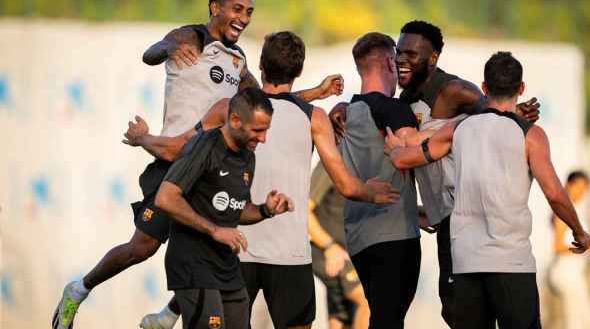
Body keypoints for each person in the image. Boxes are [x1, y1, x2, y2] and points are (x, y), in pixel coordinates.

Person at [52, 0, 341, 329]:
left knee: (215, 247)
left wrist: (316, 93)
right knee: (142, 248)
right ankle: (79, 290)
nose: (244, 18)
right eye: (237, 9)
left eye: (249, 12)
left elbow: (267, 102)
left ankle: (168, 314)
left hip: (211, 166)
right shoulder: (191, 37)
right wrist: (167, 49)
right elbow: (153, 51)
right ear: (214, 8)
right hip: (175, 162)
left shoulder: (238, 60)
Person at [126, 31, 399, 329]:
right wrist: (370, 192)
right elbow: (346, 185)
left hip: (236, 250)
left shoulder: (230, 110)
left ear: (260, 66)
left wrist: (144, 138)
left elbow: (177, 148)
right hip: (290, 255)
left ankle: (170, 312)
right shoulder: (314, 118)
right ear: (299, 70)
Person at [330, 20, 540, 327]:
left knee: (473, 311)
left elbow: (494, 115)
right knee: (455, 311)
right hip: (443, 220)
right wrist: (343, 106)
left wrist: (514, 114)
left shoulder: (453, 90)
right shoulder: (400, 103)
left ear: (433, 58)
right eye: (399, 52)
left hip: (467, 217)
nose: (402, 60)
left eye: (412, 54)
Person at [386, 51, 590, 328]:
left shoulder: (458, 128)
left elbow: (408, 157)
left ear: (484, 88)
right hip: (511, 261)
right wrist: (579, 231)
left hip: (466, 261)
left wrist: (395, 148)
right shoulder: (530, 134)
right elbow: (554, 193)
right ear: (521, 89)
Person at [155, 87, 295, 328]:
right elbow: (165, 198)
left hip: (227, 269)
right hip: (192, 264)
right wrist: (214, 230)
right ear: (235, 120)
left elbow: (235, 210)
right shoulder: (204, 146)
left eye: (266, 130)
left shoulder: (247, 156)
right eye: (258, 130)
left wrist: (265, 210)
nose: (263, 139)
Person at [336, 32, 420, 329]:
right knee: (388, 321)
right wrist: (460, 125)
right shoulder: (393, 108)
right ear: (389, 62)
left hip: (359, 238)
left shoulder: (347, 112)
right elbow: (415, 147)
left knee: (383, 318)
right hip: (394, 235)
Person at [549, 171, 590, 329]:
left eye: (585, 188)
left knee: (589, 323)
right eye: (578, 187)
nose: (581, 192)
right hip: (566, 273)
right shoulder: (562, 212)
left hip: (576, 274)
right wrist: (583, 247)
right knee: (577, 324)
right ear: (568, 185)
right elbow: (557, 247)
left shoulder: (575, 211)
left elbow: (588, 245)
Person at [308, 163, 370, 329]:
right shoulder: (333, 163)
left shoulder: (367, 165)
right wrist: (329, 247)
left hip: (348, 255)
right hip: (327, 252)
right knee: (368, 300)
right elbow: (304, 212)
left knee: (343, 317)